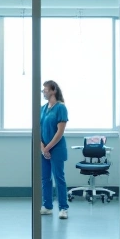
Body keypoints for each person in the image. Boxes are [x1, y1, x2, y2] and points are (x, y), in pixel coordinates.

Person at [40, 80, 71, 219]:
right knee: (45, 178)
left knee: (59, 178)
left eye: (45, 90)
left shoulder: (61, 108)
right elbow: (39, 129)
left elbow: (60, 131)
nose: (43, 92)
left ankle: (63, 208)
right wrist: (42, 147)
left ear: (53, 91)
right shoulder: (42, 109)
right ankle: (47, 206)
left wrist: (48, 147)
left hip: (56, 148)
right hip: (43, 149)